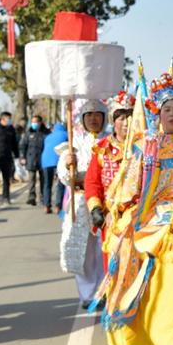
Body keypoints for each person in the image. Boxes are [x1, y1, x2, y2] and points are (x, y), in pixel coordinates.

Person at [98, 71, 173, 345]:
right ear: (157, 112)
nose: (172, 114)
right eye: (167, 109)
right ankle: (143, 337)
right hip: (152, 219)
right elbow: (130, 188)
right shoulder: (147, 146)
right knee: (135, 254)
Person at [56, 100, 108, 308]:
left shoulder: (111, 142)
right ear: (83, 119)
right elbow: (63, 177)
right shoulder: (73, 144)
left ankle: (105, 291)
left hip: (105, 202)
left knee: (104, 247)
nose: (93, 119)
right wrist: (67, 164)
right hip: (80, 201)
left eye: (97, 114)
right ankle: (87, 294)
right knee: (84, 250)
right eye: (89, 115)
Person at [84, 91, 135, 269]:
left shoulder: (145, 148)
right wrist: (96, 208)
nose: (126, 123)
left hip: (139, 218)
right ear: (113, 121)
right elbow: (92, 183)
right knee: (113, 267)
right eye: (121, 118)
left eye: (130, 116)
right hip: (111, 217)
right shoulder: (101, 149)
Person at [19, 115, 50, 206]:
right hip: (31, 159)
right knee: (31, 180)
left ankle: (43, 197)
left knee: (43, 180)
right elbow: (22, 146)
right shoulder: (28, 133)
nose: (34, 124)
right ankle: (31, 197)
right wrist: (22, 157)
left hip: (43, 159)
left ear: (40, 122)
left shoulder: (46, 133)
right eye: (33, 122)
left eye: (36, 122)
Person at [41, 122, 68, 214]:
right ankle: (58, 206)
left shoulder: (48, 137)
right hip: (59, 161)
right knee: (61, 184)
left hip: (46, 162)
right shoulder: (66, 134)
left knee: (47, 184)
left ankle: (46, 206)